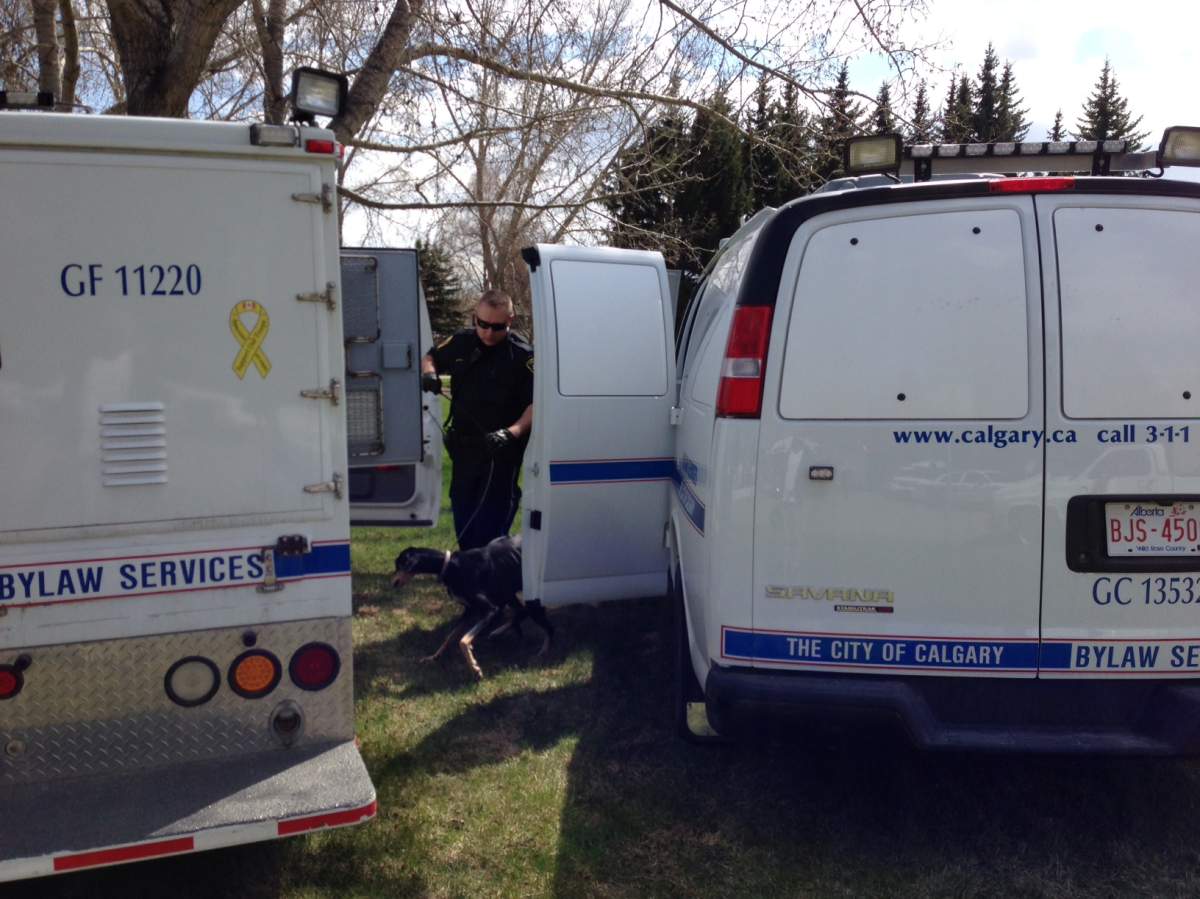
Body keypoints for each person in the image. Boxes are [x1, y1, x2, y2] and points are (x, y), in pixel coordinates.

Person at [422, 288, 533, 550]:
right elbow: (430, 357)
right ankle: (468, 563)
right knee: (463, 512)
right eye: (482, 324)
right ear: (475, 317)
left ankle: (490, 565)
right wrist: (429, 374)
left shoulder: (523, 355)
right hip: (464, 448)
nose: (488, 332)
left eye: (497, 327)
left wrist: (512, 432)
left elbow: (536, 404)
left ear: (510, 320)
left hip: (501, 450)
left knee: (493, 522)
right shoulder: (462, 341)